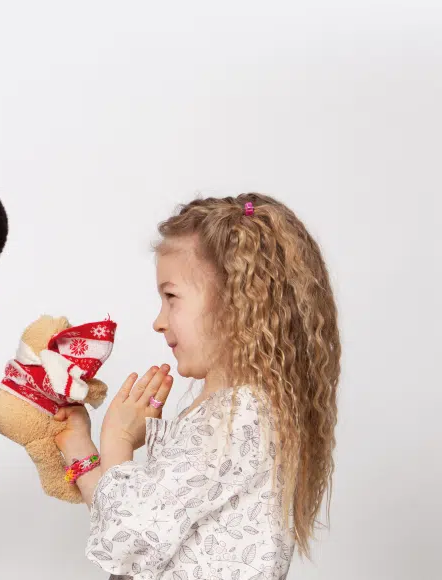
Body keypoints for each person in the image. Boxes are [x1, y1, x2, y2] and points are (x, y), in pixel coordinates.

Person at [54, 194, 340, 579]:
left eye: (171, 297)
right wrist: (80, 448)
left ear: (236, 303)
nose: (158, 320)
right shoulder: (235, 413)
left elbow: (128, 537)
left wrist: (118, 438)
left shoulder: (235, 421)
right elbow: (138, 527)